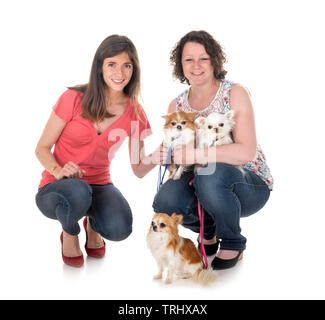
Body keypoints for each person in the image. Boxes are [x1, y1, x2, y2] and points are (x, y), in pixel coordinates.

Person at [35, 35, 167, 267]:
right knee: (77, 191)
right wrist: (58, 170)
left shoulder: (135, 112)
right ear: (100, 67)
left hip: (99, 185)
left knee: (119, 228)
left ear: (134, 70)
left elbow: (138, 168)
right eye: (112, 64)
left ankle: (92, 224)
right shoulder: (73, 98)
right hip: (57, 187)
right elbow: (41, 148)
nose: (120, 72)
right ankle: (70, 231)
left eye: (127, 65)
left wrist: (162, 153)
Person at [153, 30, 273, 270]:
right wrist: (157, 157)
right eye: (189, 59)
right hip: (200, 182)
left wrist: (197, 155)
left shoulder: (233, 93)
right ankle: (208, 231)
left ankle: (233, 242)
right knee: (166, 200)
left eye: (203, 58)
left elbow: (246, 152)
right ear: (180, 65)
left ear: (214, 61)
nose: (196, 66)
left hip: (246, 184)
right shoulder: (176, 105)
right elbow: (172, 154)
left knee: (211, 173)